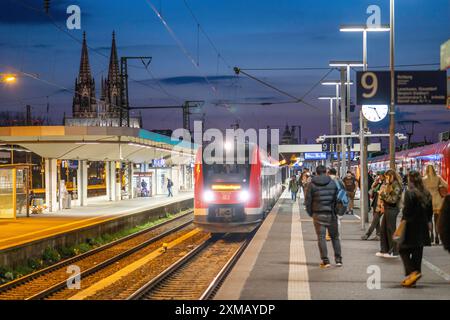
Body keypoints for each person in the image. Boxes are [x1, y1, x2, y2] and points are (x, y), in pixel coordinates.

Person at [398, 171, 433, 288]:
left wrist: (402, 223)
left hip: (410, 225)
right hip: (422, 226)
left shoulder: (409, 193)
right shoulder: (426, 193)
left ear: (410, 180)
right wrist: (429, 222)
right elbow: (430, 211)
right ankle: (413, 278)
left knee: (402, 249)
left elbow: (407, 211)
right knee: (418, 252)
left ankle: (413, 272)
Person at [305, 165, 341, 268]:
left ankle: (326, 261)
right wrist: (335, 211)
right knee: (335, 237)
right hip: (331, 214)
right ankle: (338, 260)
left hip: (318, 214)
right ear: (326, 172)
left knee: (321, 238)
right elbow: (337, 198)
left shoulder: (311, 184)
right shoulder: (333, 183)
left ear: (316, 173)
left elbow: (308, 201)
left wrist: (311, 213)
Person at [376, 169, 403, 258]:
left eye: (387, 177)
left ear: (392, 176)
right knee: (383, 229)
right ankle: (384, 250)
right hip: (388, 209)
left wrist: (383, 194)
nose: (386, 179)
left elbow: (393, 200)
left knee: (391, 229)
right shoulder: (390, 184)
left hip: (393, 209)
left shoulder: (396, 185)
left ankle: (394, 251)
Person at [423, 164, 448, 245]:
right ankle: (437, 236)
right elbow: (446, 185)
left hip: (428, 200)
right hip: (438, 200)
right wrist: (439, 186)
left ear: (426, 169)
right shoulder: (438, 177)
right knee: (437, 219)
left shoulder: (424, 179)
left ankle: (431, 235)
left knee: (429, 219)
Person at [361, 172, 384, 240]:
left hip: (380, 204)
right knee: (376, 220)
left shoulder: (385, 184)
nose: (379, 176)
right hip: (375, 202)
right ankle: (378, 235)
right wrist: (376, 181)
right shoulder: (379, 183)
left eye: (380, 175)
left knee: (375, 220)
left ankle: (367, 234)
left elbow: (382, 194)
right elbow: (372, 188)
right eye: (378, 175)